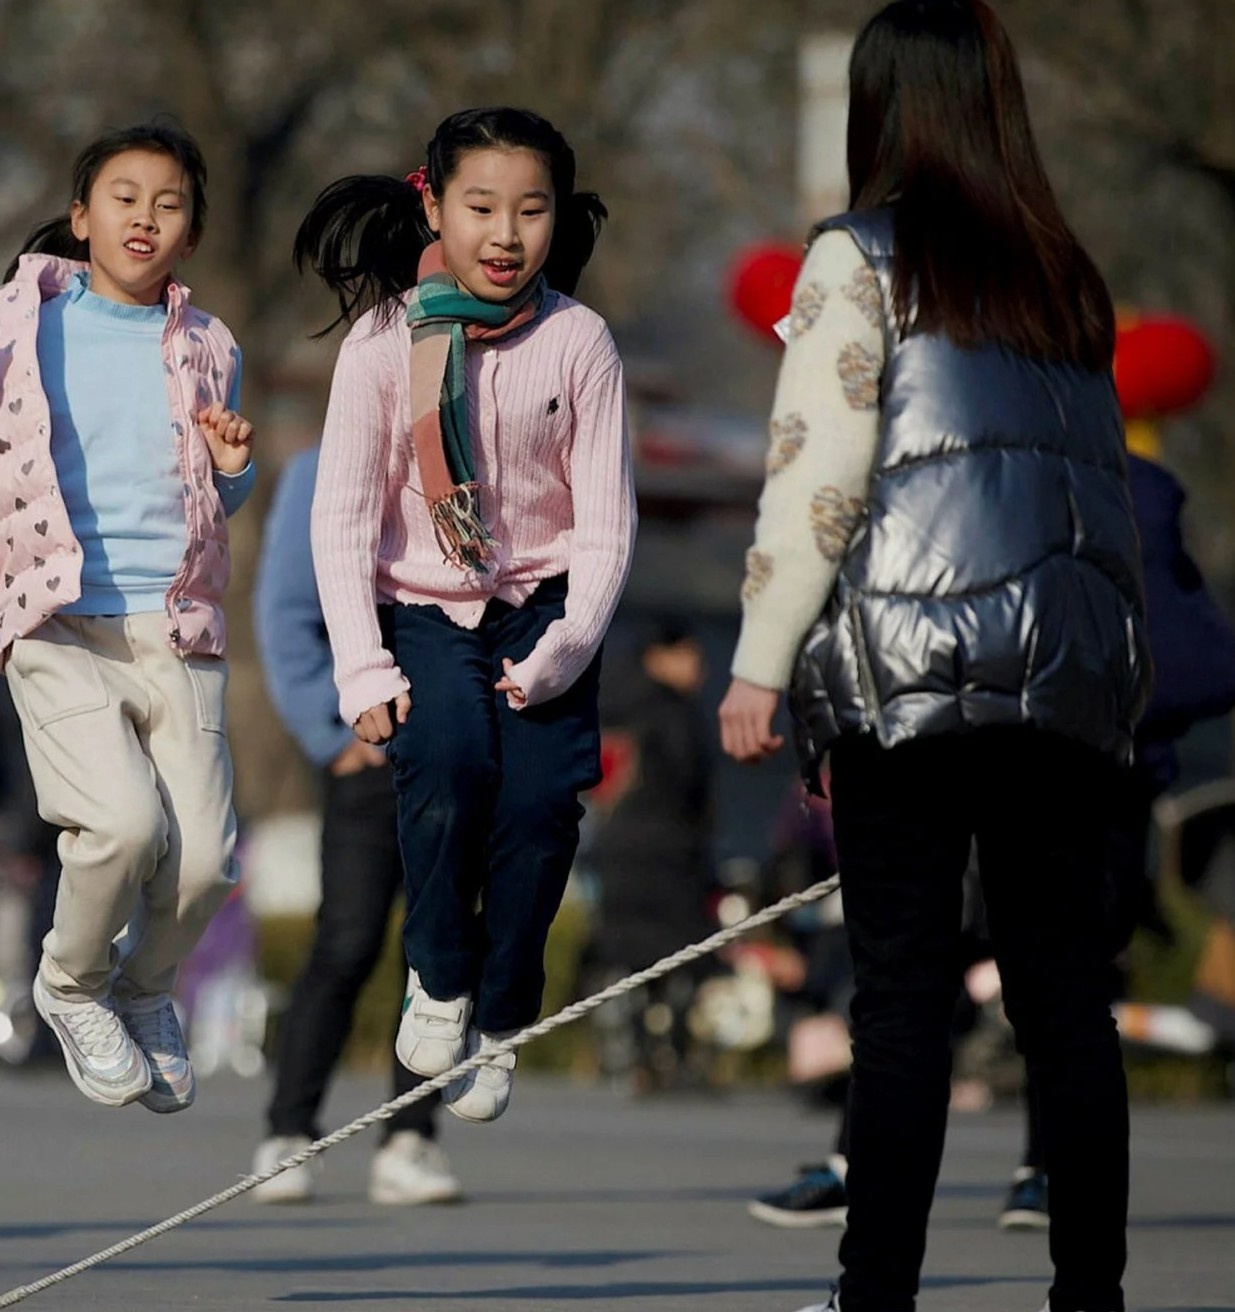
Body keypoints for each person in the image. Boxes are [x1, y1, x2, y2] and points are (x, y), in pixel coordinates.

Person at [715, 5, 1148, 1309]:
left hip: (908, 673)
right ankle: (1089, 1293)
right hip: (1063, 679)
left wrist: (757, 659)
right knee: (1061, 999)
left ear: (877, 107)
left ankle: (874, 1292)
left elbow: (816, 478)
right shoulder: (1061, 275)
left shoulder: (858, 255)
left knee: (900, 993)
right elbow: (1098, 491)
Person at [303, 106, 636, 1125]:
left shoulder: (581, 342)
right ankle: (440, 978)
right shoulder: (378, 344)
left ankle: (505, 1014)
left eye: (529, 210)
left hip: (545, 607)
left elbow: (608, 518)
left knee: (538, 812)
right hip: (423, 609)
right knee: (446, 769)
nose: (505, 234)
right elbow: (343, 514)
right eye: (481, 207)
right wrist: (360, 668)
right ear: (433, 206)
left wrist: (570, 645)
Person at [0, 123, 256, 1112]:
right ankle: (69, 986)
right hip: (58, 620)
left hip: (177, 627)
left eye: (169, 201)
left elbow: (212, 504)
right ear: (81, 218)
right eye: (124, 196)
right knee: (117, 823)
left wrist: (236, 470)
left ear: (190, 231)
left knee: (207, 858)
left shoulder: (210, 346)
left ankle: (146, 992)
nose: (146, 216)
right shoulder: (21, 324)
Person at [247, 445, 462, 1206]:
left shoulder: (475, 451)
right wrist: (328, 732)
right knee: (345, 939)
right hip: (367, 749)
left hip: (458, 746)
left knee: (437, 949)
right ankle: (286, 1132)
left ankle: (409, 1139)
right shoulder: (321, 467)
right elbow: (284, 612)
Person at [582, 620, 717, 1092]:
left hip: (616, 849)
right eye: (692, 658)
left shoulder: (609, 700)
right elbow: (688, 784)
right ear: (662, 655)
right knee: (682, 957)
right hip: (665, 854)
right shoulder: (671, 711)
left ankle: (627, 1058)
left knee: (624, 957)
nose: (700, 670)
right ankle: (671, 1057)